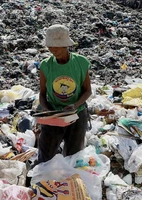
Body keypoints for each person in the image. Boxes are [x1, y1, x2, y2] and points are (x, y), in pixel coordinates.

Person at [36, 24, 92, 166]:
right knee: (45, 154)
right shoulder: (45, 65)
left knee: (74, 155)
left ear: (66, 45)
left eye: (57, 47)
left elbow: (87, 91)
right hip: (54, 114)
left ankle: (70, 181)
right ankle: (43, 180)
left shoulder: (80, 63)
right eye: (51, 47)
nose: (53, 51)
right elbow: (42, 94)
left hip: (76, 113)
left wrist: (75, 105)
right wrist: (48, 110)